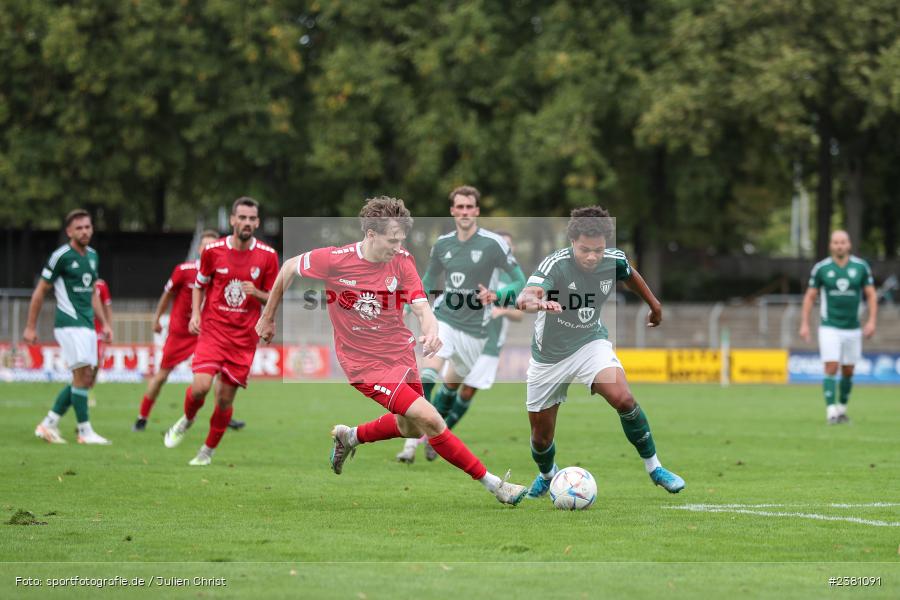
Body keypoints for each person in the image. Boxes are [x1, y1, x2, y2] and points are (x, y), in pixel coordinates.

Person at [256, 196, 529, 506]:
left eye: (401, 239)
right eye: (392, 239)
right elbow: (289, 268)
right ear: (371, 234)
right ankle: (496, 486)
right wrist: (267, 316)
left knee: (409, 428)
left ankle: (351, 436)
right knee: (433, 420)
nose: (397, 245)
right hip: (363, 364)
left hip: (400, 355)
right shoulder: (335, 259)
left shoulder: (402, 260)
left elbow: (421, 304)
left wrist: (431, 329)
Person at [516, 206, 685, 498]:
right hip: (549, 357)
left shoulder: (613, 260)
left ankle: (655, 468)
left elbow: (630, 274)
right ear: (572, 243)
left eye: (598, 250)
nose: (592, 256)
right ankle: (547, 475)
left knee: (624, 398)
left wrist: (654, 305)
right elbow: (524, 297)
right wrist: (537, 302)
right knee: (541, 439)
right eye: (585, 250)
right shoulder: (554, 265)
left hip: (590, 344)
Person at [396, 186, 526, 462]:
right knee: (429, 374)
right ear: (453, 210)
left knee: (452, 388)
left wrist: (497, 295)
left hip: (477, 332)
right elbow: (428, 281)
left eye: (470, 207)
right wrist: (409, 305)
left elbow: (519, 282)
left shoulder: (493, 244)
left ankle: (431, 433)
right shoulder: (443, 244)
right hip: (445, 317)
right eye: (460, 207)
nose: (465, 212)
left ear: (477, 211)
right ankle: (412, 427)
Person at [162, 197, 278, 465]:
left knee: (225, 400)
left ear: (257, 222)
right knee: (201, 387)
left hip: (244, 338)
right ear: (232, 220)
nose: (247, 223)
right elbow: (199, 285)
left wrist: (257, 293)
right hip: (213, 331)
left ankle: (207, 451)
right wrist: (197, 314)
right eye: (243, 218)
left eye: (252, 219)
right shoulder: (213, 251)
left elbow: (271, 297)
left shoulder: (268, 256)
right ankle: (188, 418)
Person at [25, 209, 113, 445]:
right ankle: (84, 432)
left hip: (87, 325)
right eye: (79, 228)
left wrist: (104, 323)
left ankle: (49, 423)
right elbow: (40, 291)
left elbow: (93, 292)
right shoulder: (61, 256)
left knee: (82, 377)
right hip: (68, 323)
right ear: (69, 232)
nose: (84, 231)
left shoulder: (93, 256)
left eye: (88, 227)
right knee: (83, 375)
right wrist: (30, 327)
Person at [133, 230, 219, 431]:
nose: (208, 249)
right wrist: (157, 319)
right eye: (205, 245)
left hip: (206, 333)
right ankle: (142, 416)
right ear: (199, 249)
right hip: (180, 333)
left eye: (213, 246)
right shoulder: (184, 270)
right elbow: (167, 295)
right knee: (162, 376)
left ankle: (222, 413)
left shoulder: (220, 273)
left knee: (218, 374)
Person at [799, 230, 877, 424]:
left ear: (849, 244)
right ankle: (831, 411)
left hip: (853, 327)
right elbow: (810, 296)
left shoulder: (860, 267)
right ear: (831, 246)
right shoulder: (822, 268)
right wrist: (804, 324)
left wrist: (872, 320)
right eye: (836, 242)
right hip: (829, 326)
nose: (839, 245)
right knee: (831, 365)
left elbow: (871, 295)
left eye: (843, 242)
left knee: (849, 370)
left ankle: (841, 409)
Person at [88, 277, 113, 407]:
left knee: (96, 362)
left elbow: (107, 306)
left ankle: (89, 387)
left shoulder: (101, 285)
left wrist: (108, 326)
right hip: (83, 327)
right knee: (83, 363)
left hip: (97, 329)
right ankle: (86, 393)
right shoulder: (77, 281)